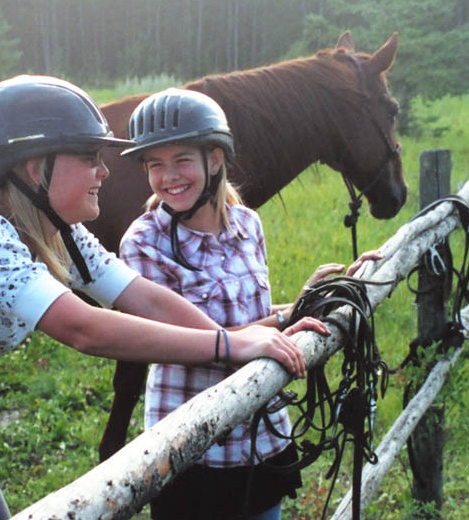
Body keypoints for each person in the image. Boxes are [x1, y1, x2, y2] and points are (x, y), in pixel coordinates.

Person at [0, 75, 328, 520]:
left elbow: (143, 297)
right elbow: (83, 328)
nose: (106, 172)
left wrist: (244, 336)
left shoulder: (59, 233)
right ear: (35, 170)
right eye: (89, 158)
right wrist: (233, 347)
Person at [119, 88, 380, 520]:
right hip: (191, 440)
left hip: (260, 433)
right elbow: (192, 343)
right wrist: (285, 317)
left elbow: (248, 324)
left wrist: (307, 302)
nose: (169, 177)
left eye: (182, 160)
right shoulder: (144, 243)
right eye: (155, 165)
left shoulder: (247, 224)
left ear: (215, 159)